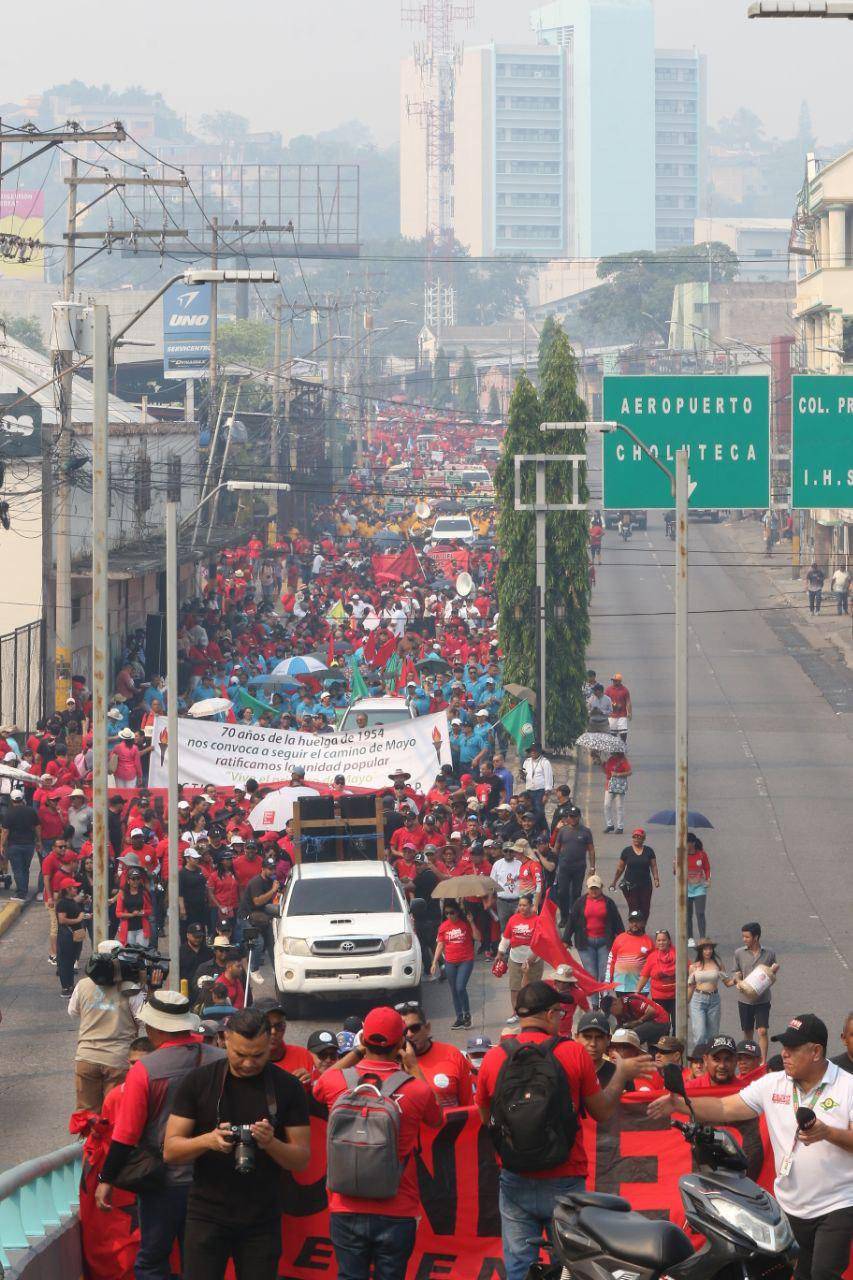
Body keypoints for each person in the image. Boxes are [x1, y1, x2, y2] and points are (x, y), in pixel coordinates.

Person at [650, 1014, 853, 1280]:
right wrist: (679, 1104)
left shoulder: (847, 1086)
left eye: (792, 1048)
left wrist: (828, 1133)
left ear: (816, 1052)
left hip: (838, 1204)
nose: (784, 1054)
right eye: (784, 1047)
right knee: (794, 1274)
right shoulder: (773, 1083)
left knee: (823, 1274)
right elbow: (724, 1107)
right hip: (789, 1205)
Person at [476, 980, 652, 1280]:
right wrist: (621, 1075)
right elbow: (602, 1111)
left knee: (519, 1267)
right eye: (560, 1012)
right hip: (565, 1178)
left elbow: (485, 1118)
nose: (562, 1018)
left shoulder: (494, 1058)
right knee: (571, 1267)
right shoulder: (573, 1053)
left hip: (515, 1177)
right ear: (550, 1014)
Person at [163, 1007, 310, 1280]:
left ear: (270, 1043)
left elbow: (301, 1160)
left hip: (262, 1217)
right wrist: (208, 1140)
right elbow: (171, 1151)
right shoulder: (198, 1082)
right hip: (206, 1213)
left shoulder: (287, 1087)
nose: (249, 1063)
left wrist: (271, 1143)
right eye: (240, 1054)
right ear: (225, 1040)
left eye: (259, 1055)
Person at [97, 990, 225, 1280]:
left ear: (155, 1029)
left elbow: (126, 1134)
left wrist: (106, 1179)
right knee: (203, 1263)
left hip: (164, 1181)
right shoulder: (221, 1060)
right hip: (215, 1179)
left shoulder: (145, 1070)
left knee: (152, 1262)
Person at [313, 1006, 443, 1280]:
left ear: (363, 1039)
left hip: (345, 1206)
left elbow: (318, 1086)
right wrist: (413, 1066)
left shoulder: (336, 1082)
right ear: (400, 1043)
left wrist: (356, 1053)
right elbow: (437, 1119)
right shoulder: (416, 1089)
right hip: (397, 1207)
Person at [69, 939, 141, 1110]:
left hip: (86, 1057)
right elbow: (143, 1019)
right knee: (114, 1113)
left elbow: (72, 1012)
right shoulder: (130, 988)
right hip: (117, 1059)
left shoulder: (82, 985)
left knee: (87, 1115)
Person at [563, 874, 623, 992]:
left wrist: (623, 940)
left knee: (604, 975)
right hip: (586, 943)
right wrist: (565, 939)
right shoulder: (579, 903)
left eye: (596, 888)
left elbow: (617, 922)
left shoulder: (609, 903)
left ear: (601, 887)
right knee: (591, 975)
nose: (594, 891)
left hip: (605, 943)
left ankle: (604, 999)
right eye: (592, 888)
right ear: (587, 888)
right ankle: (594, 1001)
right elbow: (572, 921)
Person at [732, 921, 779, 1063]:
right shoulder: (739, 953)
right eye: (743, 937)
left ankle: (763, 1062)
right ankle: (749, 1059)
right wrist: (738, 981)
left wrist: (774, 970)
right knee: (748, 1032)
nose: (744, 939)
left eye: (747, 937)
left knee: (762, 1031)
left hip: (763, 999)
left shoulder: (769, 953)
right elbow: (736, 971)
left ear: (756, 937)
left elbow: (771, 973)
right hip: (744, 999)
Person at [432, 902, 479, 1029]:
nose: (449, 915)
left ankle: (467, 1014)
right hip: (450, 962)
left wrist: (472, 922)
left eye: (452, 913)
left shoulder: (465, 923)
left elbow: (478, 937)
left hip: (466, 960)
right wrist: (434, 962)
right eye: (446, 913)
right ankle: (459, 1018)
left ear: (457, 912)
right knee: (454, 991)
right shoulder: (443, 926)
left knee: (460, 988)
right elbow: (440, 944)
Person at [495, 894, 542, 1022]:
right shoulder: (513, 919)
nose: (522, 908)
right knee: (515, 988)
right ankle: (516, 1013)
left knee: (532, 989)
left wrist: (533, 957)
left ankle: (532, 1014)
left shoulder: (538, 920)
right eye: (520, 905)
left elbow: (542, 942)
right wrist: (500, 953)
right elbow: (506, 938)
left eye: (524, 905)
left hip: (533, 961)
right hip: (515, 959)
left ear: (531, 906)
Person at [253, 997, 315, 1078]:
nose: (273, 1031)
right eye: (266, 1026)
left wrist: (309, 1082)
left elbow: (319, 1083)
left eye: (279, 1026)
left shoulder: (303, 1055)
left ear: (285, 1026)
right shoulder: (247, 1062)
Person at [553, 806, 595, 921]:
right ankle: (564, 917)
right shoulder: (563, 831)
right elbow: (557, 847)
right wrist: (553, 864)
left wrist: (592, 867)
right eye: (570, 816)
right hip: (564, 867)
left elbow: (591, 850)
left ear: (579, 817)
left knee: (576, 893)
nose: (572, 819)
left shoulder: (586, 831)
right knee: (562, 893)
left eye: (575, 816)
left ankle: (574, 917)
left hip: (579, 867)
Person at [610, 828, 658, 922]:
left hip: (645, 885)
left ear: (643, 839)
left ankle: (642, 926)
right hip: (630, 885)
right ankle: (634, 927)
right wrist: (614, 882)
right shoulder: (626, 851)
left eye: (639, 837)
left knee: (645, 909)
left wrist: (656, 879)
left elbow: (653, 866)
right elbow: (620, 868)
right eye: (634, 837)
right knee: (634, 908)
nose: (636, 839)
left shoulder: (649, 851)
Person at [687, 938, 727, 1045]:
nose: (708, 951)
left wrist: (739, 980)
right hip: (698, 999)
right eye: (705, 949)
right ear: (700, 951)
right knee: (700, 1034)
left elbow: (727, 982)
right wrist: (685, 1005)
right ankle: (699, 1055)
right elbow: (691, 987)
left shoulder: (718, 965)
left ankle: (710, 1055)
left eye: (710, 949)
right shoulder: (694, 966)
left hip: (714, 1000)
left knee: (713, 1035)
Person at [1, 789, 41, 896]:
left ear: (11, 800)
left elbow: (5, 831)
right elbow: (37, 827)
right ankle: (24, 889)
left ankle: (21, 892)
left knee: (18, 869)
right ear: (22, 799)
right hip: (29, 845)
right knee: (25, 868)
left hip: (14, 845)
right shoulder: (31, 811)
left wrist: (1, 845)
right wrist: (39, 841)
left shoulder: (9, 813)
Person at [637, 929, 678, 1032]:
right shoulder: (652, 957)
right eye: (659, 940)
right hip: (659, 998)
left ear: (669, 941)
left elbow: (689, 970)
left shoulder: (678, 955)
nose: (661, 943)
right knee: (662, 1026)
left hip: (676, 997)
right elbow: (644, 976)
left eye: (664, 940)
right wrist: (637, 992)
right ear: (656, 942)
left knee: (677, 1026)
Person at [606, 910, 653, 994]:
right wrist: (608, 979)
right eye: (632, 921)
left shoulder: (648, 942)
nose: (634, 924)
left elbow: (653, 965)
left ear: (643, 923)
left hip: (641, 988)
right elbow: (611, 960)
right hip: (621, 986)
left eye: (637, 921)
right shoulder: (619, 938)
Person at [679, 832, 711, 944]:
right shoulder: (681, 855)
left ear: (692, 843)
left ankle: (702, 937)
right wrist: (675, 865)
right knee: (688, 914)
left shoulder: (702, 855)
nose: (684, 845)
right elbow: (676, 872)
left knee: (700, 913)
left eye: (686, 843)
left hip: (699, 888)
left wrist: (708, 879)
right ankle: (690, 938)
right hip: (686, 888)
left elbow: (707, 868)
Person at [575, 1009, 617, 1086]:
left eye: (599, 1037)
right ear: (576, 1038)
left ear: (608, 1039)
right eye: (587, 1037)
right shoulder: (565, 1072)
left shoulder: (618, 1075)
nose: (593, 1044)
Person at [490, 841, 523, 931]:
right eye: (506, 851)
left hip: (517, 902)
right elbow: (492, 883)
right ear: (502, 851)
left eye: (511, 851)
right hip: (502, 903)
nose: (508, 853)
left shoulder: (520, 864)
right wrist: (490, 899)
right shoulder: (497, 864)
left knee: (518, 927)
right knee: (504, 929)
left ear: (514, 851)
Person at [602, 745, 631, 835]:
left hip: (619, 786)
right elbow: (606, 772)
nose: (611, 752)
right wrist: (601, 764)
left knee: (619, 807)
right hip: (609, 785)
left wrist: (618, 774)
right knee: (606, 805)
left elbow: (629, 772)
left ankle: (620, 827)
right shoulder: (610, 760)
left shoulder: (623, 760)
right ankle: (609, 824)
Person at [520, 743, 553, 817]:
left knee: (539, 811)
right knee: (529, 811)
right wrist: (522, 776)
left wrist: (546, 795)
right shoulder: (527, 762)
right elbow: (524, 776)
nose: (533, 752)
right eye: (531, 751)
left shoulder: (545, 762)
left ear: (539, 752)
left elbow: (549, 779)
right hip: (529, 791)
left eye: (535, 751)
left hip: (540, 791)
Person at [604, 673, 631, 743]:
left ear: (620, 681)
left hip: (622, 715)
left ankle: (623, 745)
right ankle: (613, 748)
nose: (614, 682)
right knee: (612, 734)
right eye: (613, 680)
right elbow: (605, 700)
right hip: (612, 716)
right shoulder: (608, 690)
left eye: (615, 681)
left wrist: (629, 712)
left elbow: (628, 702)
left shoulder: (624, 690)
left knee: (623, 733)